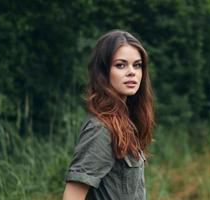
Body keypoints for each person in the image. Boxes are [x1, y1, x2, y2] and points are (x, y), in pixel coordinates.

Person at [62, 30, 154, 200]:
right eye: (120, 65)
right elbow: (73, 196)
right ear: (103, 72)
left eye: (137, 65)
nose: (131, 72)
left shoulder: (126, 122)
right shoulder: (101, 128)